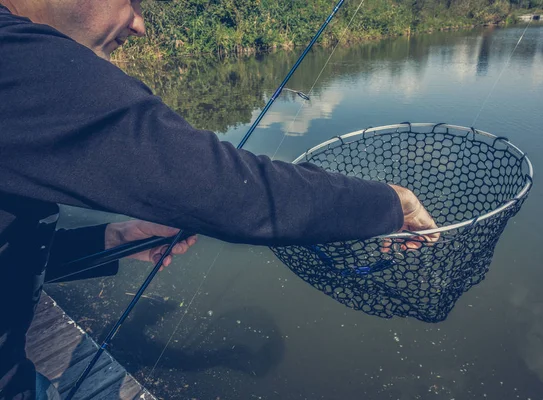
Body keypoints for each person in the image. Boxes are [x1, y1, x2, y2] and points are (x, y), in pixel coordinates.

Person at [0, 0, 439, 398]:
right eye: (130, 0)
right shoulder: (16, 58)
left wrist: (107, 241)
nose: (140, 25)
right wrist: (390, 203)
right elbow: (225, 190)